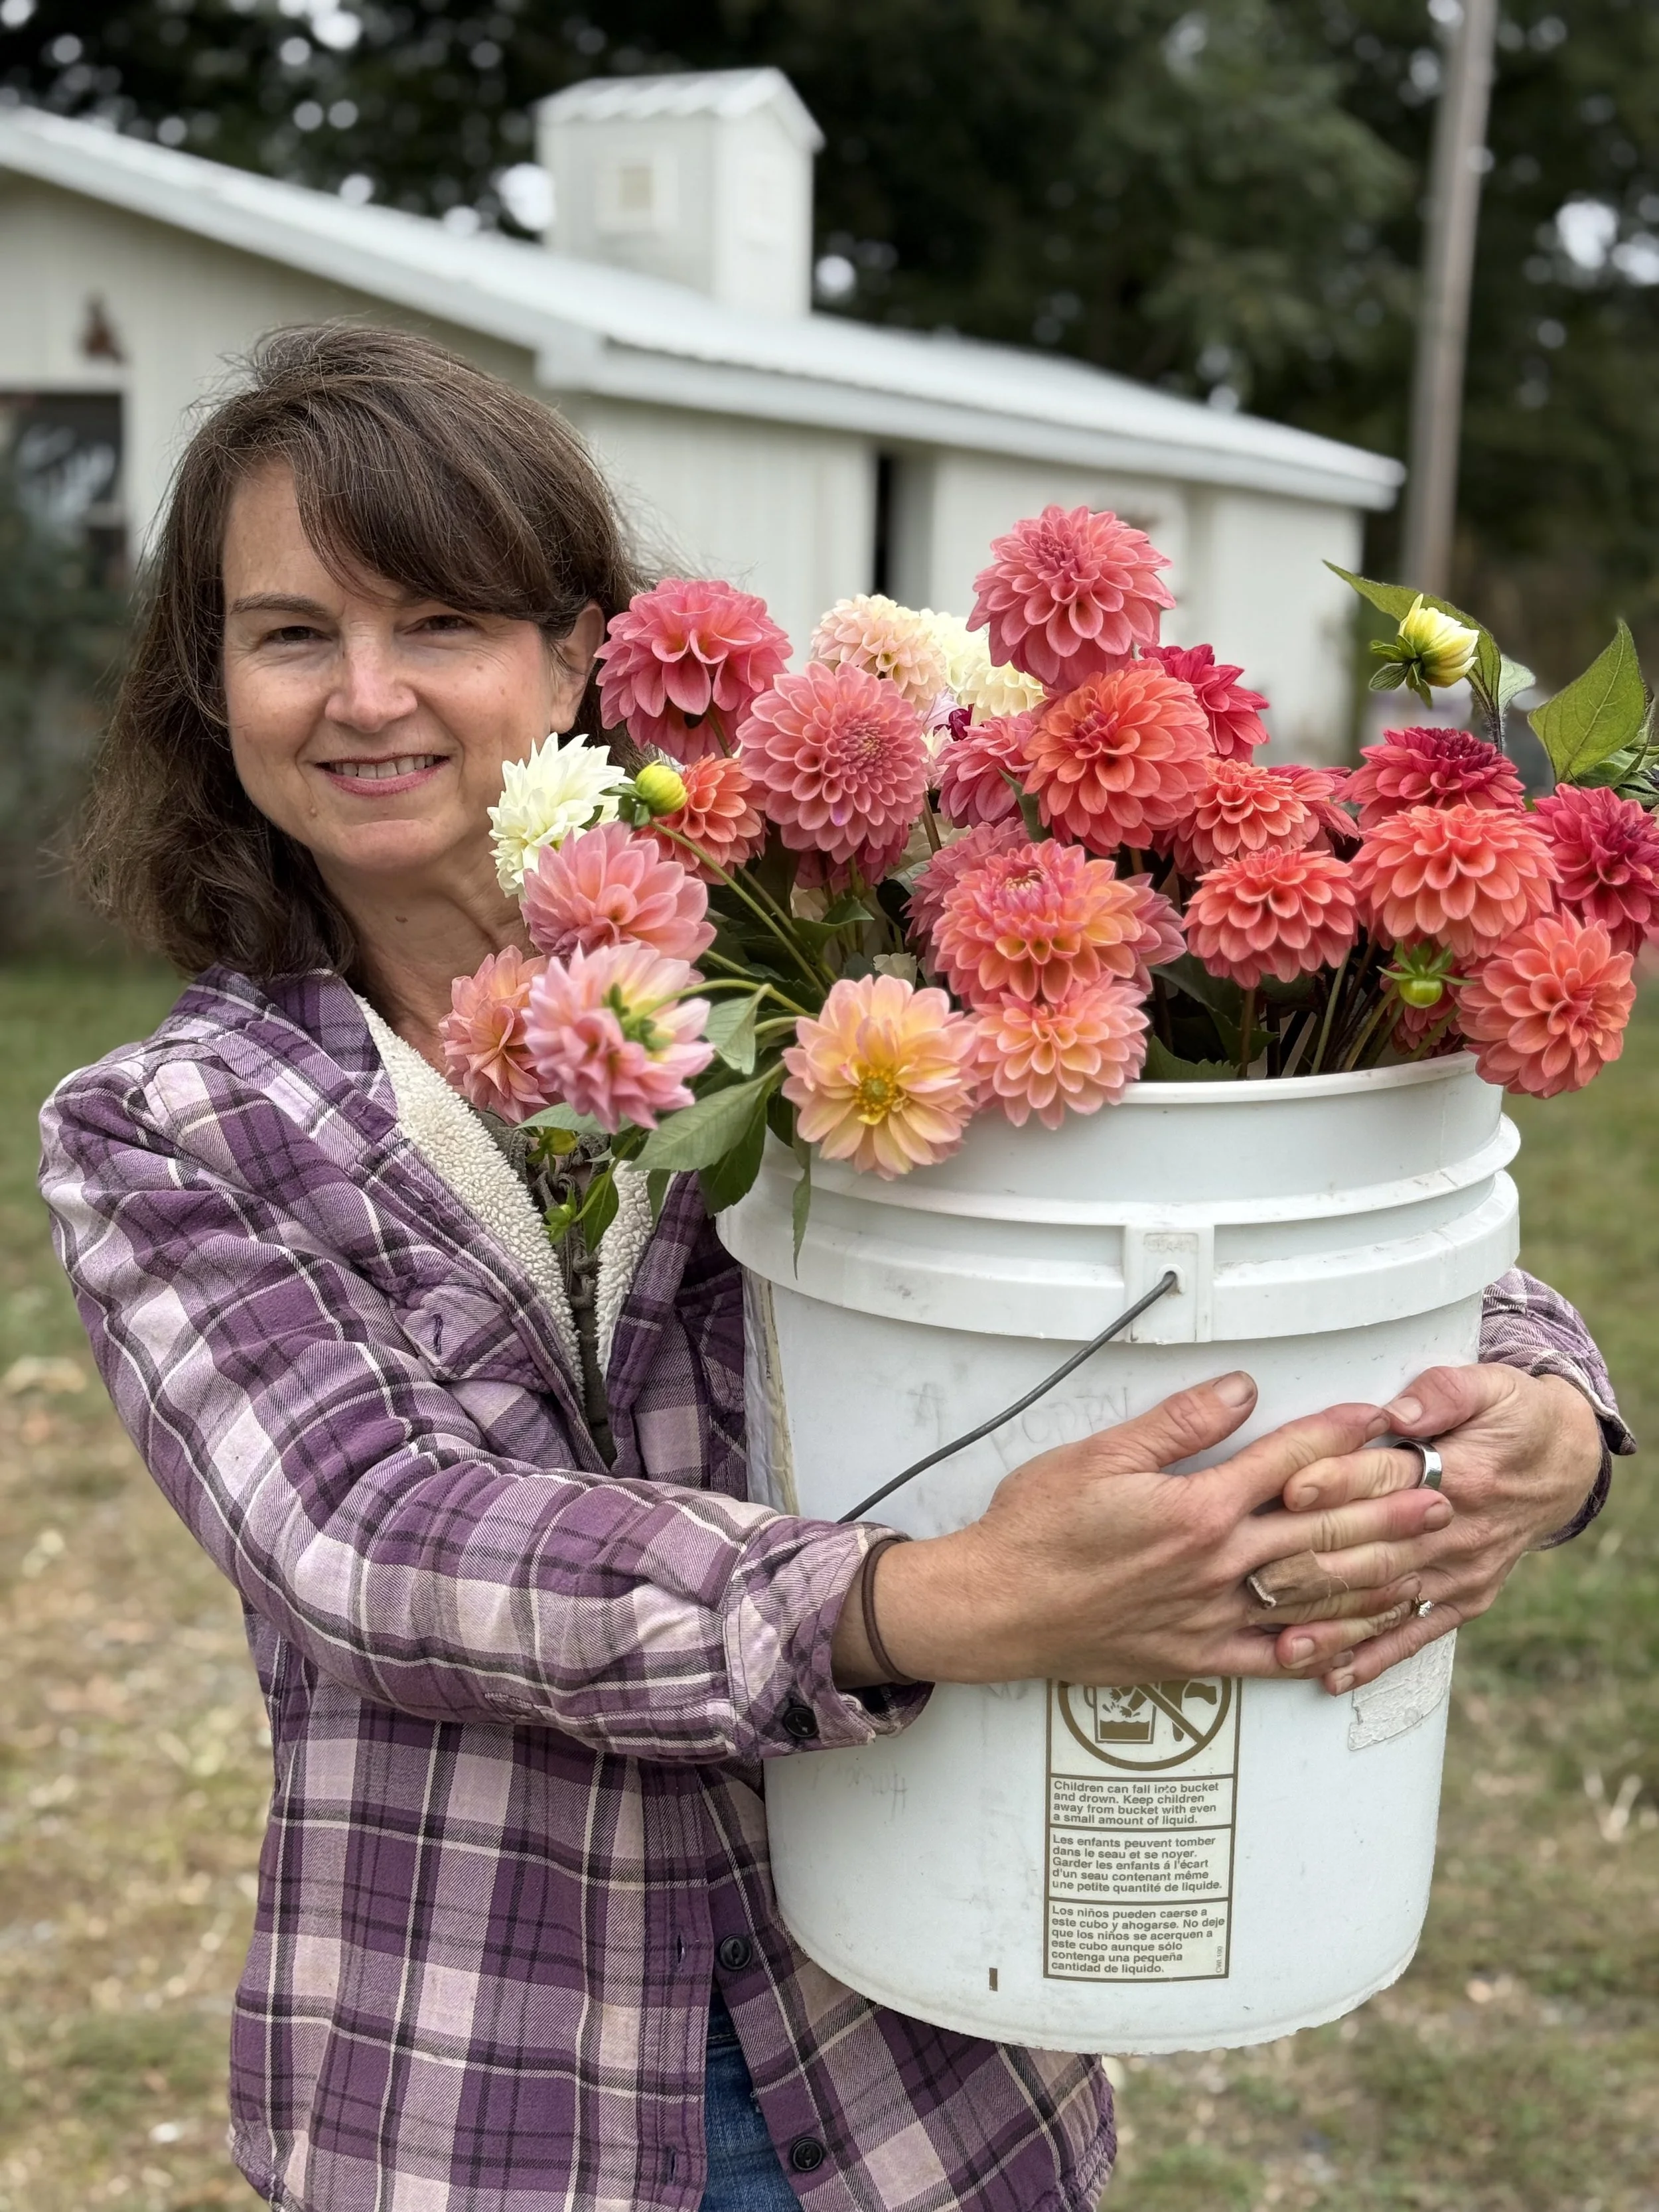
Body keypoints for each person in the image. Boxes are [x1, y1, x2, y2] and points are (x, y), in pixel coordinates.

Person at [40, 325, 1629, 2212]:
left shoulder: (851, 966)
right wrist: (923, 1603)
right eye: (291, 631)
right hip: (477, 2083)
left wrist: (1536, 1404)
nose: (366, 692)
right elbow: (375, 1540)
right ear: (208, 683)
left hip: (915, 2063)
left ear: (568, 655)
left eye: (441, 620)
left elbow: (1233, 1198)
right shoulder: (177, 1123)